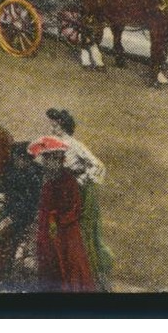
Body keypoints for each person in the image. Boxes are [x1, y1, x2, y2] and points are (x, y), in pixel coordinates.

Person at [44, 108, 112, 288]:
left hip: (75, 194)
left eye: (56, 124)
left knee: (76, 234)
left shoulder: (74, 145)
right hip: (58, 190)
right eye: (52, 123)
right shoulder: (51, 143)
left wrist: (80, 180)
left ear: (64, 125)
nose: (52, 127)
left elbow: (98, 165)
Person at [29, 137, 97, 291]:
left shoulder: (68, 181)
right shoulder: (47, 182)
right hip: (48, 230)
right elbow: (43, 206)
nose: (49, 164)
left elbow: (75, 208)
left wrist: (58, 219)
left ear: (60, 161)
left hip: (66, 232)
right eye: (46, 160)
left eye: (53, 160)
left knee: (69, 265)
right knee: (47, 261)